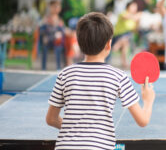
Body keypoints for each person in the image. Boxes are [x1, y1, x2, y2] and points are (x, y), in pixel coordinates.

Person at [46, 12, 155, 150]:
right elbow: (143, 120)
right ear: (109, 45)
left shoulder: (65, 74)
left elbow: (51, 119)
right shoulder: (118, 76)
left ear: (79, 43)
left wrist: (78, 129)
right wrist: (148, 100)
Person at [111, 1, 141, 68]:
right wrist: (137, 16)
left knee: (125, 42)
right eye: (133, 6)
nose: (135, 8)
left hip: (126, 37)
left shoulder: (134, 19)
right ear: (128, 7)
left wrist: (138, 22)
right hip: (117, 36)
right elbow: (126, 17)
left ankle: (124, 63)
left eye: (135, 6)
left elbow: (135, 30)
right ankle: (115, 47)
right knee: (125, 40)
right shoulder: (123, 13)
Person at [39, 0, 65, 70]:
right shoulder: (46, 18)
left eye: (58, 7)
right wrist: (44, 35)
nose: (56, 9)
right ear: (51, 7)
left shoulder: (59, 19)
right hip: (47, 39)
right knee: (44, 45)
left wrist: (60, 32)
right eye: (54, 7)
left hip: (56, 40)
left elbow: (62, 30)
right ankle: (43, 68)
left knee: (59, 45)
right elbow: (41, 29)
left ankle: (58, 67)